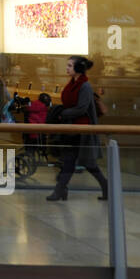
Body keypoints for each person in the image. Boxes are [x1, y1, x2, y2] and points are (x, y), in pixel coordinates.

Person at [47, 56, 110, 202]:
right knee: (84, 162)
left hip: (81, 130)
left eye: (70, 65)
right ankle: (105, 187)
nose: (67, 68)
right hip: (72, 128)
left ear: (78, 68)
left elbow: (82, 108)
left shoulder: (85, 86)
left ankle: (60, 190)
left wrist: (63, 113)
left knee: (73, 160)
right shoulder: (72, 83)